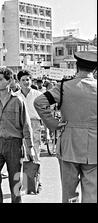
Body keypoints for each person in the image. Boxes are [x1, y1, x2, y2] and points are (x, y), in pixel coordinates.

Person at [34, 51, 97, 203]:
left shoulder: (62, 87)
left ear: (76, 66)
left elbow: (39, 102)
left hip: (69, 144)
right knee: (92, 193)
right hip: (95, 147)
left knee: (69, 193)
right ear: (95, 69)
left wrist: (52, 124)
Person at [0, 67, 35, 203]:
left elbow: (26, 125)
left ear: (9, 81)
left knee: (15, 180)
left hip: (14, 144)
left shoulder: (18, 101)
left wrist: (30, 147)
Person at [15, 69, 43, 193]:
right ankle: (24, 183)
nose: (26, 82)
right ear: (18, 82)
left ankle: (37, 182)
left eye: (28, 79)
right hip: (19, 126)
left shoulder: (38, 94)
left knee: (35, 153)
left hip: (34, 124)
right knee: (21, 155)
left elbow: (43, 112)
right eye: (23, 80)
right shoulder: (15, 96)